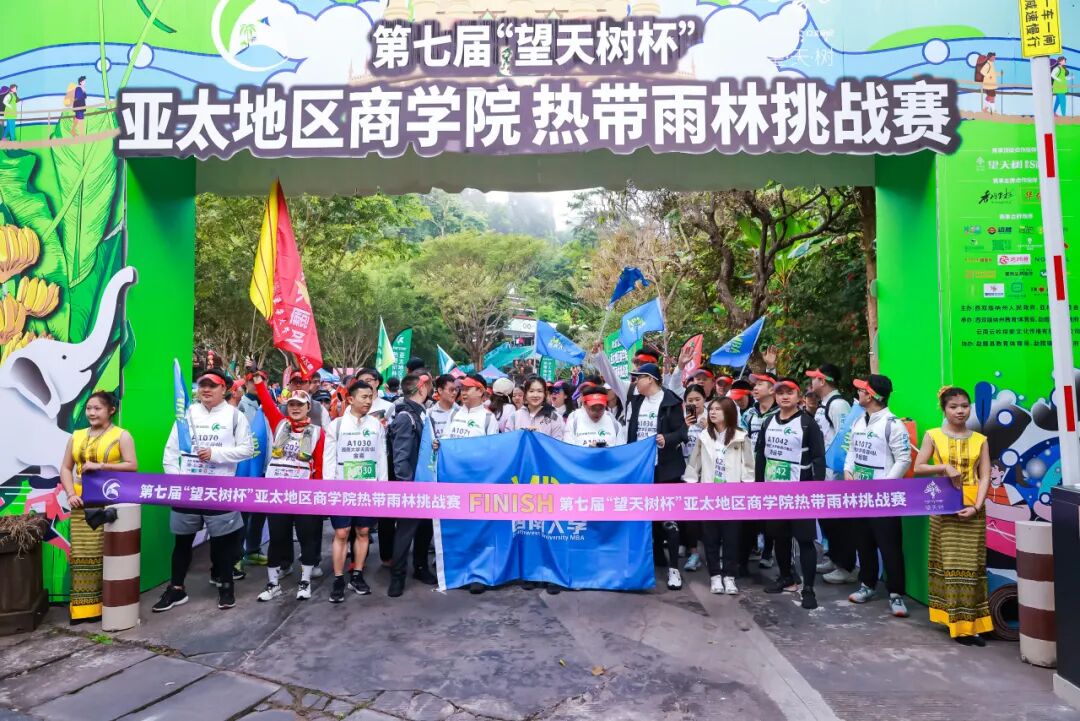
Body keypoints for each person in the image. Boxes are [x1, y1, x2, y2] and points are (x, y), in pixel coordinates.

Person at [157, 369, 254, 613]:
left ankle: (225, 585)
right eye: (202, 384)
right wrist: (177, 480)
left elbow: (247, 450)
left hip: (219, 489)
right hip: (188, 490)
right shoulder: (187, 415)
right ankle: (176, 589)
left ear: (225, 389)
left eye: (212, 385)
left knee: (222, 544)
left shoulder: (234, 416)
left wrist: (216, 455)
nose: (206, 389)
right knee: (182, 542)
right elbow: (171, 450)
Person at [914, 386, 993, 645]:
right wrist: (944, 466)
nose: (960, 411)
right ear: (944, 409)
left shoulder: (980, 439)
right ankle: (955, 623)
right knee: (949, 566)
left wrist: (977, 507)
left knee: (972, 567)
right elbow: (919, 467)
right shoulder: (933, 436)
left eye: (964, 405)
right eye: (954, 406)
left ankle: (973, 625)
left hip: (974, 509)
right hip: (944, 508)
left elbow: (985, 476)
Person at [59, 391, 138, 624]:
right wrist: (71, 493)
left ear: (110, 410)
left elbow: (132, 465)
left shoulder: (121, 436)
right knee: (83, 554)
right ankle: (84, 610)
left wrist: (101, 465)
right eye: (89, 408)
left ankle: (111, 606)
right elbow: (65, 468)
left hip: (111, 501)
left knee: (112, 554)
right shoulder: (77, 436)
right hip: (81, 501)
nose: (92, 413)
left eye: (97, 408)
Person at [248, 367, 326, 602]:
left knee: (306, 538)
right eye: (291, 404)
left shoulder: (318, 432)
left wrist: (318, 496)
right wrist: (258, 380)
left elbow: (320, 465)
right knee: (277, 538)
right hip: (279, 494)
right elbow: (267, 401)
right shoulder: (280, 424)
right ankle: (273, 584)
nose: (295, 408)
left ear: (308, 408)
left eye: (300, 405)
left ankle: (305, 581)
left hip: (305, 494)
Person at [844, 374, 912, 618]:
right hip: (860, 495)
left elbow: (904, 459)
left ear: (871, 395)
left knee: (890, 546)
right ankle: (867, 585)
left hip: (884, 498)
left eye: (862, 390)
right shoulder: (858, 422)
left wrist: (885, 487)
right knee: (863, 542)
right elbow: (851, 449)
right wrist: (848, 470)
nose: (858, 394)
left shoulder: (893, 424)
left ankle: (896, 594)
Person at [756, 377, 826, 610]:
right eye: (780, 392)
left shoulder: (807, 423)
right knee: (779, 537)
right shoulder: (768, 422)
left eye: (790, 392)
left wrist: (815, 488)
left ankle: (808, 588)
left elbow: (818, 458)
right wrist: (758, 486)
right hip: (774, 491)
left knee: (805, 540)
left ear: (798, 396)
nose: (784, 396)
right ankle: (786, 577)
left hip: (800, 491)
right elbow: (761, 456)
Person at [322, 379, 386, 603]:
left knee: (363, 531)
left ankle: (356, 574)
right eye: (364, 397)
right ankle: (338, 577)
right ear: (350, 399)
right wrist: (329, 488)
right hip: (341, 487)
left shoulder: (376, 425)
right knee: (341, 533)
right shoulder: (336, 425)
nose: (368, 401)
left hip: (368, 487)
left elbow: (381, 458)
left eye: (371, 397)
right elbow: (328, 459)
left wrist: (382, 487)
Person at [625, 363, 688, 591]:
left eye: (638, 378)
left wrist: (667, 439)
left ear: (649, 379)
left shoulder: (671, 401)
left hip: (666, 469)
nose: (635, 382)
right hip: (641, 470)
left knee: (669, 520)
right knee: (646, 519)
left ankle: (674, 570)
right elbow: (630, 434)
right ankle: (650, 562)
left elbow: (682, 432)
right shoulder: (635, 402)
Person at [438, 373, 500, 594]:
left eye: (468, 388)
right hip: (455, 482)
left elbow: (493, 452)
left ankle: (479, 574)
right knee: (459, 528)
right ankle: (459, 570)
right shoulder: (455, 414)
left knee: (479, 530)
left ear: (481, 392)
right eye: (461, 388)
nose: (463, 392)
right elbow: (445, 442)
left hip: (478, 483)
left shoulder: (487, 418)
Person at [684, 396, 752, 595]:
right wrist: (691, 485)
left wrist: (746, 488)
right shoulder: (704, 436)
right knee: (711, 538)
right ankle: (715, 576)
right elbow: (693, 463)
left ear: (728, 413)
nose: (712, 412)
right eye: (711, 409)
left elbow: (748, 466)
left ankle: (729, 577)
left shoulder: (741, 436)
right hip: (709, 494)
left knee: (731, 538)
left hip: (733, 495)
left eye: (718, 409)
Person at [806, 364, 858, 585]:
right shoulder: (824, 405)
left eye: (814, 379)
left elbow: (845, 439)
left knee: (839, 524)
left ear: (823, 381)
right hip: (822, 474)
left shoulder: (838, 405)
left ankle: (845, 566)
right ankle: (834, 559)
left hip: (834, 476)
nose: (811, 383)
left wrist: (839, 475)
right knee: (828, 521)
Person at [388, 372, 438, 597]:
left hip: (425, 484)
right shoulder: (405, 417)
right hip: (411, 488)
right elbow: (400, 458)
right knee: (405, 533)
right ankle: (397, 577)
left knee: (425, 530)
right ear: (421, 389)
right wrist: (407, 488)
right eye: (429, 386)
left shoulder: (423, 415)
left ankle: (420, 568)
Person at [741, 372, 779, 571]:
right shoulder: (748, 414)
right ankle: (747, 551)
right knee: (750, 511)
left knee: (770, 512)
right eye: (754, 384)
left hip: (772, 471)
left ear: (772, 389)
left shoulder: (780, 414)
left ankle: (768, 551)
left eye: (760, 384)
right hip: (749, 469)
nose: (754, 387)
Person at [680, 384, 709, 572]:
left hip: (707, 473)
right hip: (684, 473)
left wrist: (710, 428)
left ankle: (709, 554)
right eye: (690, 400)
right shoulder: (680, 419)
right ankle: (692, 551)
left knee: (705, 517)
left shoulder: (713, 417)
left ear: (704, 400)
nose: (694, 403)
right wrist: (684, 426)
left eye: (697, 399)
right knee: (687, 515)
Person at [505, 376, 565, 441]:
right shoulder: (514, 417)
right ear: (525, 394)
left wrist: (539, 436)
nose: (535, 395)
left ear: (545, 394)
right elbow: (508, 441)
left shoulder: (554, 417)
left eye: (539, 391)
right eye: (531, 391)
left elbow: (558, 444)